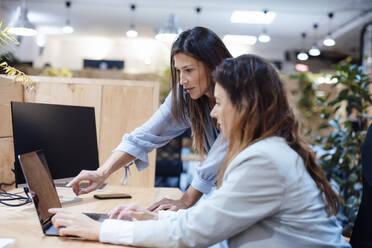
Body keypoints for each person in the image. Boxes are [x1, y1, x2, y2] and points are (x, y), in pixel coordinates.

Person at [50, 54, 350, 247]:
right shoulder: (267, 150)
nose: (213, 113)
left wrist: (99, 231)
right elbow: (209, 219)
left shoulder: (264, 160)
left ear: (244, 106)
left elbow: (193, 234)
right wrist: (153, 218)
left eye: (219, 103)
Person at [67, 26, 232, 211]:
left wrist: (186, 201)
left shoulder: (239, 93)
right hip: (224, 196)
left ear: (212, 65)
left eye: (189, 70)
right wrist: (101, 173)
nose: (182, 80)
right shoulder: (186, 95)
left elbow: (219, 154)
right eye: (179, 71)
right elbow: (144, 136)